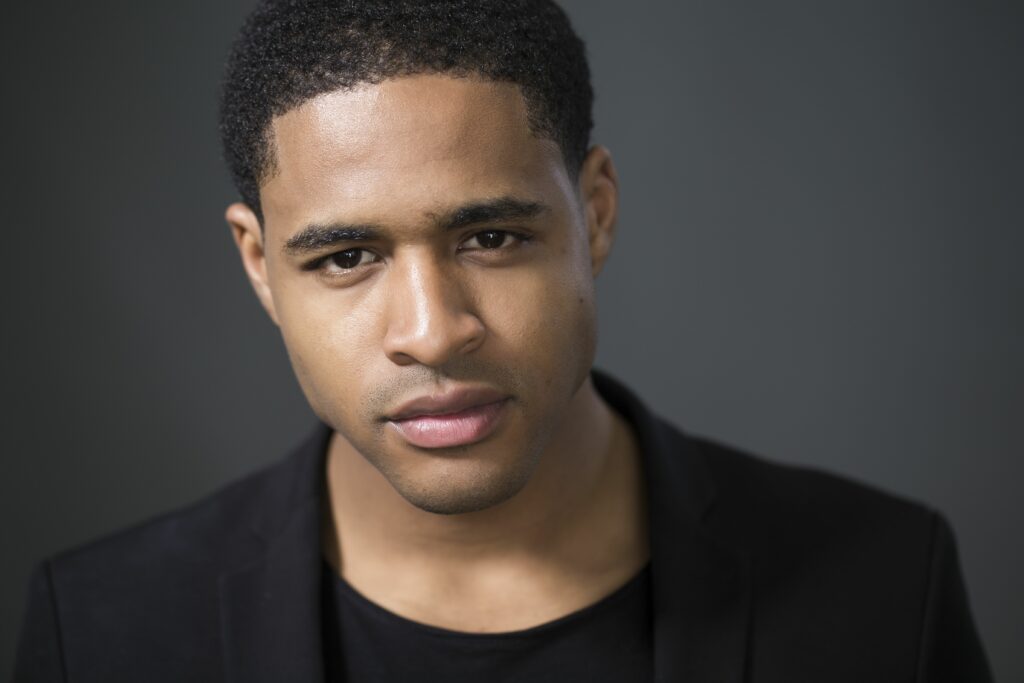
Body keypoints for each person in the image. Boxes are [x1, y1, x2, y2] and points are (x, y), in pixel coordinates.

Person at [13, 1, 992, 681]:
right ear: (260, 264)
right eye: (347, 256)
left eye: (490, 237)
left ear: (595, 213)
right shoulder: (102, 627)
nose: (433, 331)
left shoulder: (884, 585)